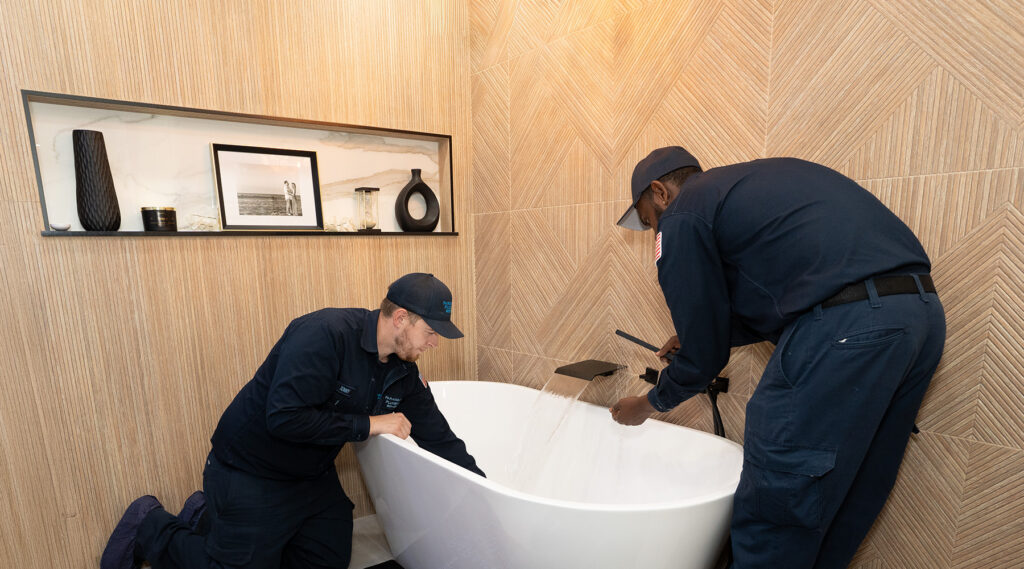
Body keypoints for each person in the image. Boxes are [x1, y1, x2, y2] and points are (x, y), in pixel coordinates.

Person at [610, 147, 945, 569]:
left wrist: (647, 404)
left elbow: (703, 362)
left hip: (846, 328)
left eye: (648, 220)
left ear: (660, 192)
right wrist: (701, 336)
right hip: (918, 317)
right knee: (852, 491)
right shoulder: (746, 187)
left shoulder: (682, 213)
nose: (654, 230)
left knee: (779, 495)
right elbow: (786, 293)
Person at [102, 273, 484, 569]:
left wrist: (486, 496)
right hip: (250, 469)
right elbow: (284, 418)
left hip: (311, 476)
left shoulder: (403, 370)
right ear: (400, 318)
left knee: (325, 561)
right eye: (430, 332)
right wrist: (369, 424)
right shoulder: (325, 334)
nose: (434, 343)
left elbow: (439, 437)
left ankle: (208, 520)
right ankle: (150, 524)